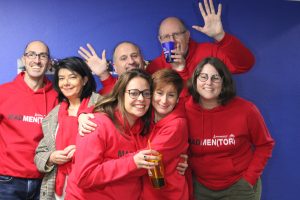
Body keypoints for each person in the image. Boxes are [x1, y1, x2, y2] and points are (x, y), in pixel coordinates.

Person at [185, 57, 275, 200]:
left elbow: (265, 145)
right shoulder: (184, 111)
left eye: (215, 78)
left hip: (239, 186)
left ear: (224, 82)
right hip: (200, 188)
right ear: (195, 80)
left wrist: (249, 179)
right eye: (203, 77)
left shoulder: (246, 110)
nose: (208, 83)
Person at [65, 69, 159, 199]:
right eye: (134, 93)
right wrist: (132, 162)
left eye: (146, 93)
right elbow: (84, 177)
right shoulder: (95, 125)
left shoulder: (146, 129)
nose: (141, 99)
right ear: (121, 94)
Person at [146, 0, 255, 96]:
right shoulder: (155, 67)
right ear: (160, 41)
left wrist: (221, 36)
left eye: (177, 34)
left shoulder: (209, 52)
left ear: (187, 36)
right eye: (166, 37)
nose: (172, 41)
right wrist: (181, 70)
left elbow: (244, 65)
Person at [34, 57, 101, 200]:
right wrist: (51, 158)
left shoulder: (102, 106)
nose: (66, 83)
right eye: (61, 78)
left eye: (72, 77)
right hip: (59, 189)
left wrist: (82, 152)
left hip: (92, 186)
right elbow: (39, 153)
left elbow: (115, 146)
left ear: (84, 80)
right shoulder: (53, 115)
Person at [0, 41, 57, 200]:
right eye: (31, 54)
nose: (37, 60)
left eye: (42, 56)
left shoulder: (58, 97)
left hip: (44, 181)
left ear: (49, 62)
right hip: (6, 180)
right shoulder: (3, 92)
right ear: (23, 59)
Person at [141, 69, 189, 200]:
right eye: (159, 93)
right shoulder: (143, 116)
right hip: (144, 192)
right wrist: (84, 114)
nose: (164, 100)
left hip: (169, 194)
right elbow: (116, 102)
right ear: (151, 94)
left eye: (171, 95)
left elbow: (147, 158)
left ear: (178, 98)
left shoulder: (177, 125)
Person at [78, 41, 146, 95]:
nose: (131, 61)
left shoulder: (155, 85)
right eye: (123, 58)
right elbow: (86, 110)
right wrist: (103, 73)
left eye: (134, 56)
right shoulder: (99, 95)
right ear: (114, 66)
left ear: (142, 59)